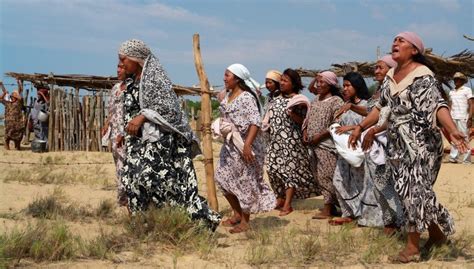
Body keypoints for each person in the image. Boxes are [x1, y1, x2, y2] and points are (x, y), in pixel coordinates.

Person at [349, 32, 468, 263]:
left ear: (414, 50)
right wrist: (360, 127)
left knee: (414, 190)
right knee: (410, 191)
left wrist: (452, 129)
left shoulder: (424, 76)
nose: (395, 42)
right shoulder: (391, 76)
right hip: (398, 144)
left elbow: (438, 106)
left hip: (422, 143)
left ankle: (413, 248)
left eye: (401, 40)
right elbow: (379, 108)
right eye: (394, 39)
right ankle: (437, 236)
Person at [118, 39, 221, 230]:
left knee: (159, 182)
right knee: (133, 183)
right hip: (137, 143)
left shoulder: (155, 79)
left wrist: (142, 116)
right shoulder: (132, 82)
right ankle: (144, 226)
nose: (121, 63)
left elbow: (169, 110)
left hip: (159, 143)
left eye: (123, 59)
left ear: (136, 59)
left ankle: (198, 222)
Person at [214, 63, 276, 233]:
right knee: (221, 178)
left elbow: (255, 122)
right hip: (230, 145)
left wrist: (247, 146)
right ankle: (237, 213)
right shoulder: (227, 96)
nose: (224, 78)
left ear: (237, 79)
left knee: (245, 181)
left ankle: (246, 221)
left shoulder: (246, 98)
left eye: (227, 75)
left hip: (245, 144)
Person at [329, 72, 383, 227]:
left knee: (362, 185)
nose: (344, 89)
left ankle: (363, 215)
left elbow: (372, 121)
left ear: (357, 86)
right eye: (343, 85)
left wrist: (353, 127)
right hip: (345, 151)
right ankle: (349, 212)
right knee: (339, 180)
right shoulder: (344, 106)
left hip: (360, 150)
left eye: (348, 85)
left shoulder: (368, 105)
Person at [361, 55, 404, 235]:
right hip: (376, 146)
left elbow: (396, 117)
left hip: (393, 144)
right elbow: (373, 114)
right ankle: (389, 222)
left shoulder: (398, 89)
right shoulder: (380, 90)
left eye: (381, 67)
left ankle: (402, 222)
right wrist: (360, 128)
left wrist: (373, 131)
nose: (376, 71)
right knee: (378, 186)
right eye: (376, 67)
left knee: (390, 184)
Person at [266, 68, 317, 216]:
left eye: (285, 81)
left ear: (293, 84)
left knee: (289, 173)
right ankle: (280, 197)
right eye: (281, 80)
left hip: (291, 142)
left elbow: (304, 122)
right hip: (275, 141)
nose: (281, 83)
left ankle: (287, 204)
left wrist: (293, 114)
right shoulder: (276, 98)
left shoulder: (299, 100)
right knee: (272, 169)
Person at [303, 71, 344, 219]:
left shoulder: (336, 101)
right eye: (317, 82)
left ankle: (328, 209)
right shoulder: (315, 100)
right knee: (318, 175)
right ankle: (330, 207)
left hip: (326, 145)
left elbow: (337, 123)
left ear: (331, 84)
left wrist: (319, 136)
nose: (318, 85)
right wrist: (306, 132)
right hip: (313, 145)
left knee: (326, 175)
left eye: (322, 82)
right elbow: (308, 120)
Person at [101, 62, 128, 206]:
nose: (118, 70)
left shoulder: (132, 89)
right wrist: (106, 125)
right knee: (118, 164)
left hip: (128, 134)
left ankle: (129, 197)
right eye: (117, 67)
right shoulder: (115, 88)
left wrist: (124, 133)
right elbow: (111, 110)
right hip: (115, 133)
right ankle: (122, 197)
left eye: (122, 67)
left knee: (127, 164)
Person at [448, 72, 472, 164]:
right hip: (453, 117)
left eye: (458, 79)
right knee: (454, 137)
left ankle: (466, 159)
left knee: (465, 138)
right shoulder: (451, 92)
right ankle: (453, 157)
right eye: (455, 79)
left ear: (462, 81)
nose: (456, 81)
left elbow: (471, 104)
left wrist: (470, 118)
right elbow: (450, 105)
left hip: (463, 117)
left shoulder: (467, 90)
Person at [0, 80, 25, 150]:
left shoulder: (18, 103)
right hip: (9, 124)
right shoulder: (7, 103)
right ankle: (7, 146)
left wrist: (18, 83)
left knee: (18, 135)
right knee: (7, 136)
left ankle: (17, 146)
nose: (14, 96)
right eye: (13, 95)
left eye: (15, 95)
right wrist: (3, 89)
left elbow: (20, 92)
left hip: (18, 123)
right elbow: (1, 98)